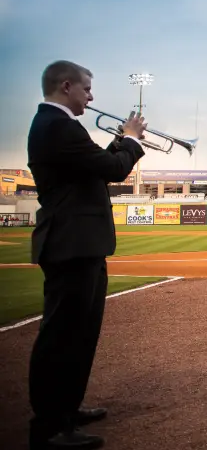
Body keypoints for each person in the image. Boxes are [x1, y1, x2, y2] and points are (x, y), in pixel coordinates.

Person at [27, 61, 147, 450]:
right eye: (87, 89)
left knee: (80, 336)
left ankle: (67, 410)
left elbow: (94, 166)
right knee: (61, 338)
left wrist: (120, 143)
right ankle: (49, 427)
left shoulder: (59, 126)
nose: (92, 97)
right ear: (67, 86)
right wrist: (130, 141)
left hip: (81, 243)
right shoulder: (56, 125)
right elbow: (112, 170)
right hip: (71, 243)